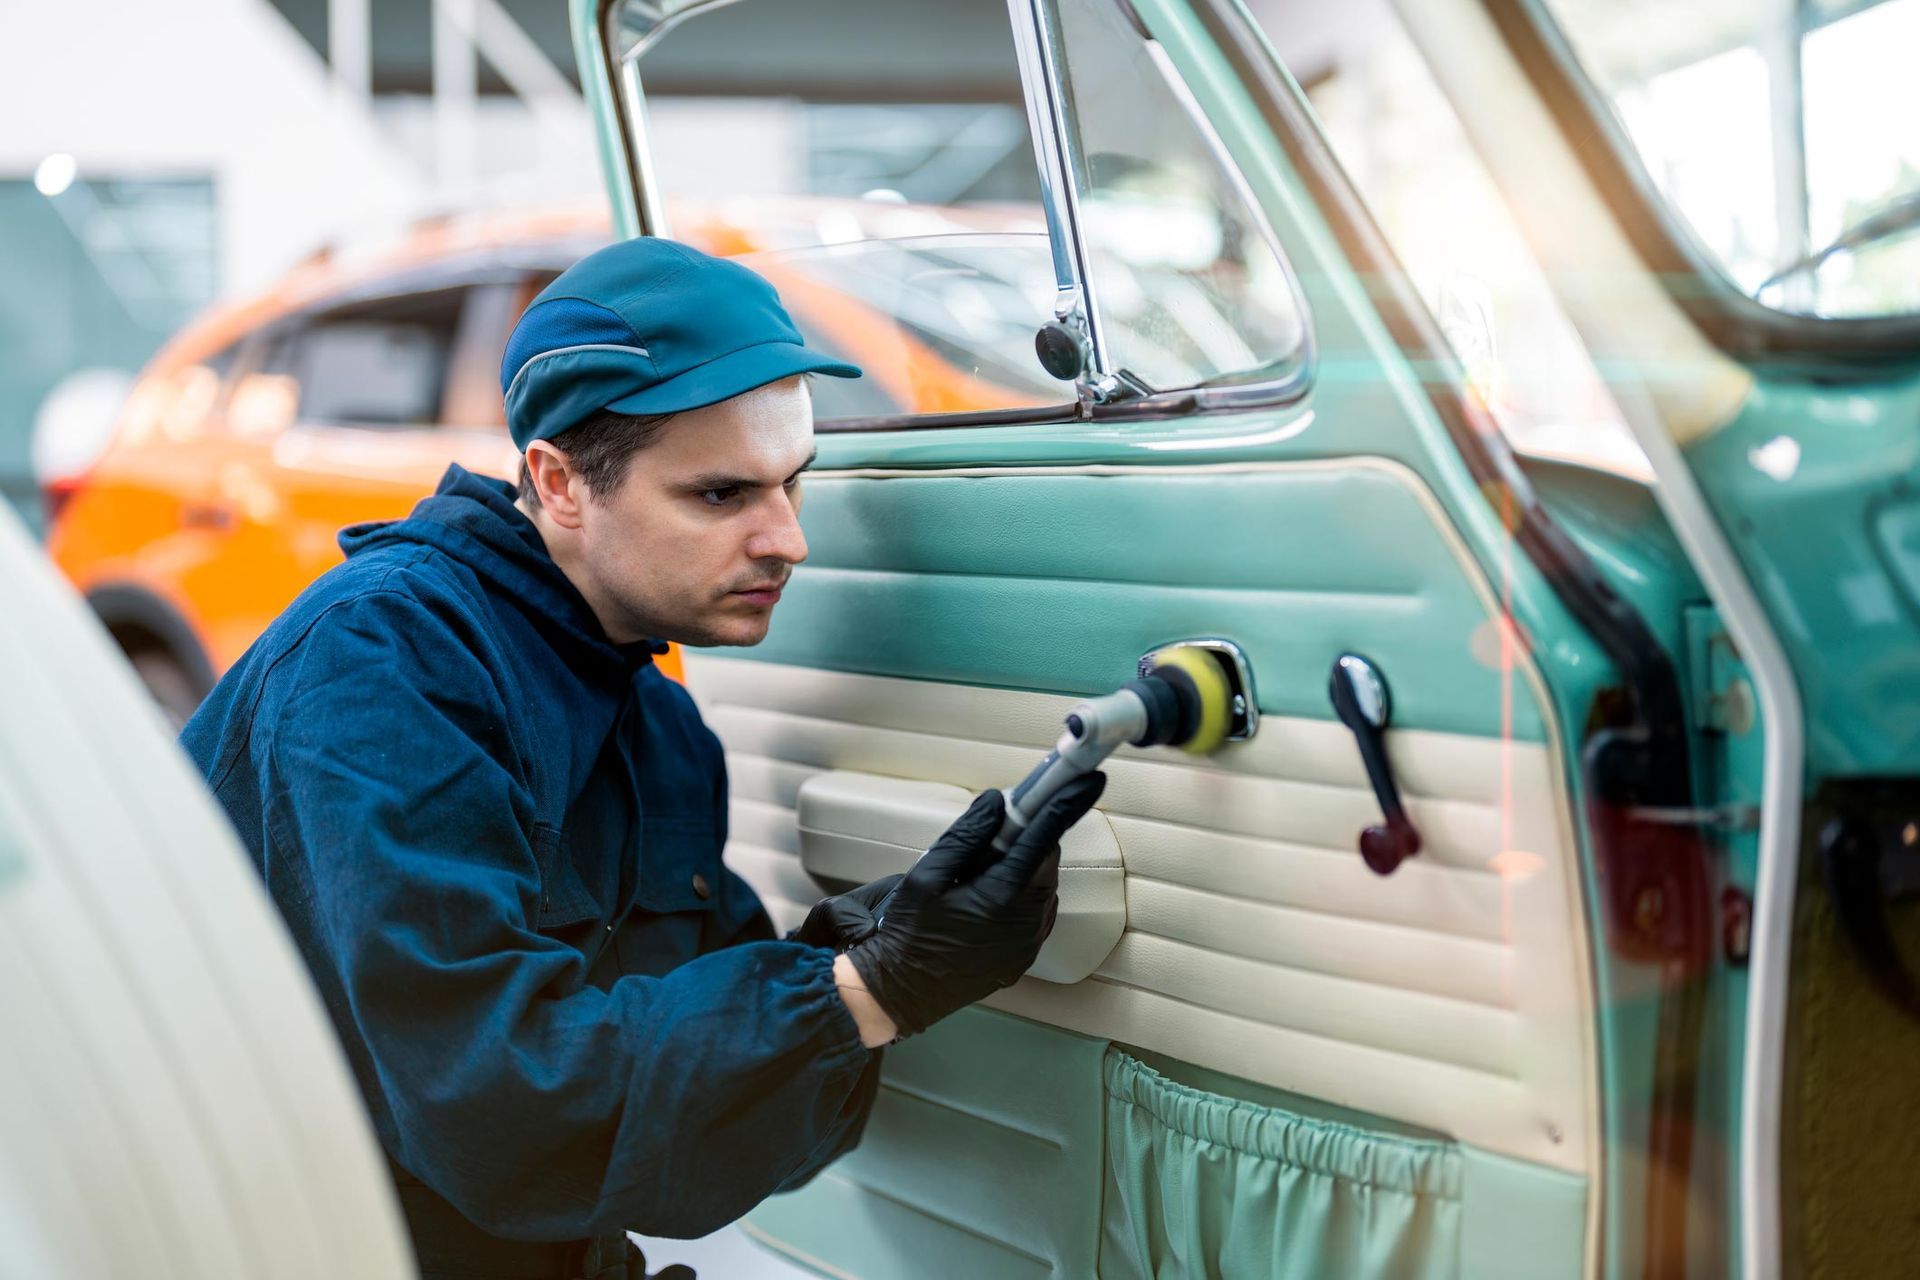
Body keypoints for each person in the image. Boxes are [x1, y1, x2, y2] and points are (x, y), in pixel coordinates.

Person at [181, 237, 1106, 1280]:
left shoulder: (657, 727)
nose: (787, 538)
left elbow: (695, 1136)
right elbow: (489, 1102)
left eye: (791, 484)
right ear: (559, 481)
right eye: (721, 495)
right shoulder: (382, 665)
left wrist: (848, 957)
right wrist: (864, 990)